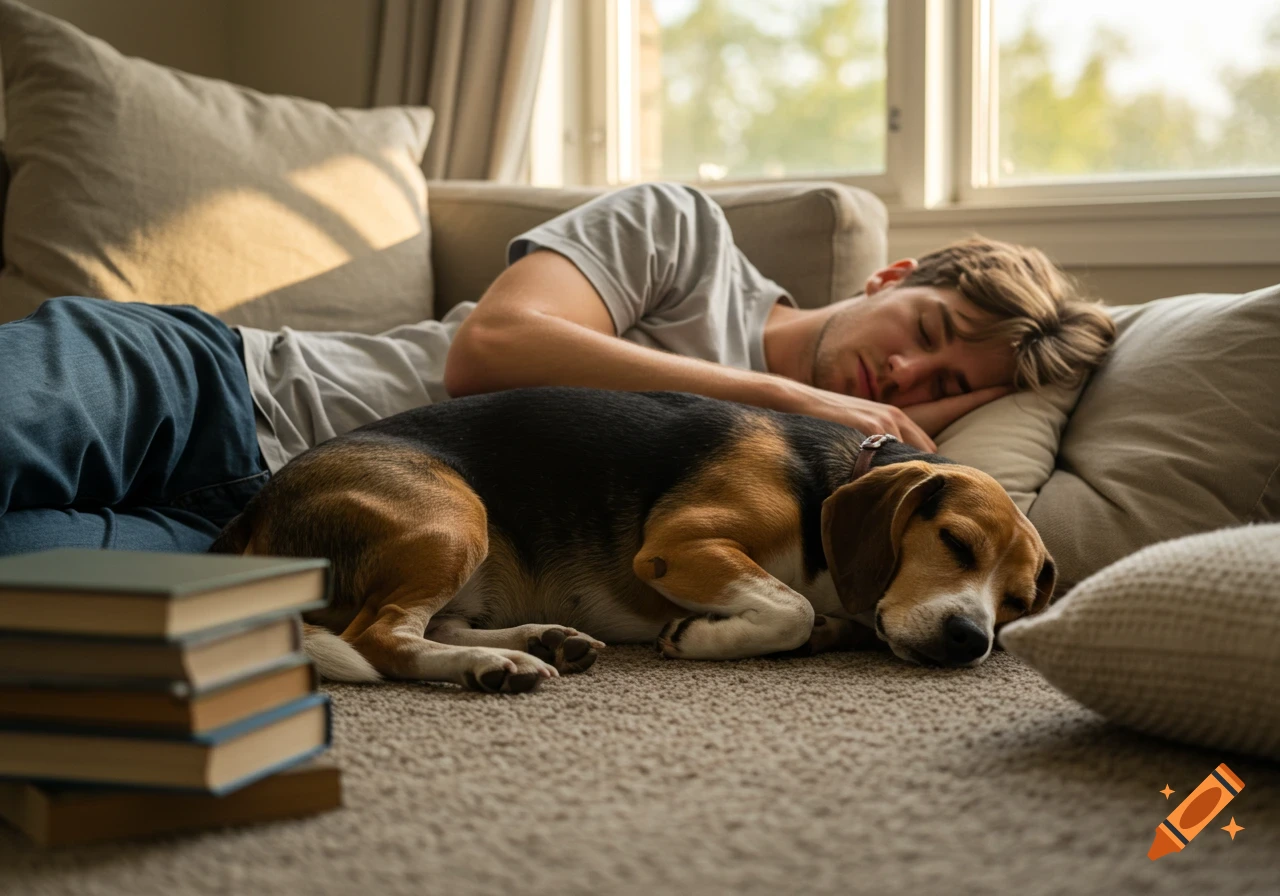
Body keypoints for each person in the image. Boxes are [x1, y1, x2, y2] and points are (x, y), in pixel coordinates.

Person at [0, 183, 1115, 556]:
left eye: (943, 383)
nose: (906, 370)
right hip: (211, 382)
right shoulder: (678, 240)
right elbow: (494, 353)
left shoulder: (810, 480)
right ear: (891, 275)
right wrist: (790, 395)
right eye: (925, 326)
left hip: (265, 529)